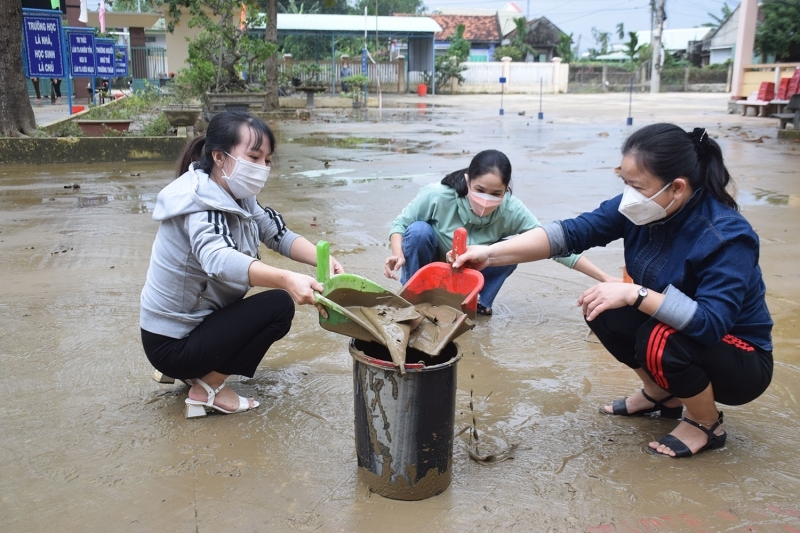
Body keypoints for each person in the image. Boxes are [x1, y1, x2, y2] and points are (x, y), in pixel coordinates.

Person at [451, 124, 773, 457]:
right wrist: (489, 254)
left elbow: (711, 322)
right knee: (602, 305)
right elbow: (570, 234)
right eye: (625, 182)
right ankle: (661, 393)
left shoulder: (726, 235)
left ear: (676, 188)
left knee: (657, 335)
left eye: (636, 185)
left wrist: (634, 294)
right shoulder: (643, 208)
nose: (628, 193)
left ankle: (705, 422)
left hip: (739, 356)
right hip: (679, 334)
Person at [140, 111, 343, 418]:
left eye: (267, 160)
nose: (262, 168)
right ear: (220, 157)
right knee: (278, 305)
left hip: (192, 328)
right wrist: (288, 279)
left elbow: (278, 234)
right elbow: (218, 258)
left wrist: (323, 260)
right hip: (171, 343)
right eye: (253, 157)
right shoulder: (201, 202)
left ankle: (196, 370)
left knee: (266, 300)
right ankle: (207, 387)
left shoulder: (237, 192)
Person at [384, 149, 616, 315]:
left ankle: (478, 301)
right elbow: (400, 226)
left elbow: (554, 244)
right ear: (468, 181)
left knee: (518, 245)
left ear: (507, 190)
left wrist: (605, 278)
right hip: (433, 262)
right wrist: (398, 254)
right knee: (418, 231)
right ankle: (414, 295)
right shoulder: (438, 195)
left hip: (476, 267)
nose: (486, 199)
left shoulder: (512, 210)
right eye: (480, 190)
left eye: (496, 193)